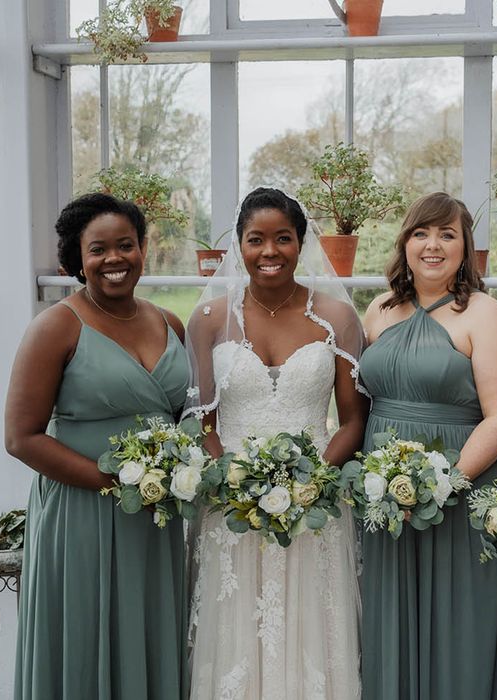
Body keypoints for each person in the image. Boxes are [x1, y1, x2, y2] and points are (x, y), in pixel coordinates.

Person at [185, 187, 369, 699]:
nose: (269, 252)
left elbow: (353, 420)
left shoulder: (337, 317)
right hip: (232, 505)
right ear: (238, 246)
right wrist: (231, 483)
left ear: (301, 243)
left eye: (283, 239)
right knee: (237, 629)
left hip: (317, 504)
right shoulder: (207, 321)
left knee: (313, 628)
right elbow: (204, 420)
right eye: (256, 239)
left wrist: (309, 483)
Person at [5, 193, 190, 699]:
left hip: (154, 516)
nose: (114, 259)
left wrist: (176, 472)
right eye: (99, 249)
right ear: (76, 259)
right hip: (83, 512)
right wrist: (114, 482)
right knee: (86, 637)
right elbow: (21, 438)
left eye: (126, 245)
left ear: (143, 249)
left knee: (148, 631)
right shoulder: (56, 325)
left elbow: (183, 419)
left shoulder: (169, 323)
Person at [359, 191, 497, 700]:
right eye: (421, 233)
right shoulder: (379, 310)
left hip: (458, 488)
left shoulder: (483, 312)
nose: (433, 245)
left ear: (465, 247)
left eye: (447, 234)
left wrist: (442, 487)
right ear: (405, 242)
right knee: (387, 618)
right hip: (383, 497)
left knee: (458, 623)